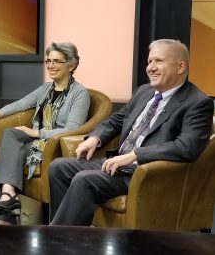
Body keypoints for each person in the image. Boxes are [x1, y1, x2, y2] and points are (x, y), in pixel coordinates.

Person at [48, 39, 214, 226]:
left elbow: (187, 147)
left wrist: (135, 155)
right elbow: (117, 120)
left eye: (158, 61)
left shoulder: (198, 103)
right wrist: (95, 137)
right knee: (58, 167)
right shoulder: (143, 92)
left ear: (180, 66)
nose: (150, 67)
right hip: (118, 164)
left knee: (85, 179)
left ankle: (56, 241)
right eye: (149, 62)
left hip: (145, 173)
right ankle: (67, 234)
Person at [0, 42, 90, 225]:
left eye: (56, 61)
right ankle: (8, 194)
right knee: (9, 134)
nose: (50, 65)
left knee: (11, 152)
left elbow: (73, 129)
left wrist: (36, 132)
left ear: (71, 65)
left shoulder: (80, 94)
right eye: (48, 61)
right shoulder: (46, 88)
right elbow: (21, 104)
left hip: (53, 144)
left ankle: (4, 216)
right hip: (35, 139)